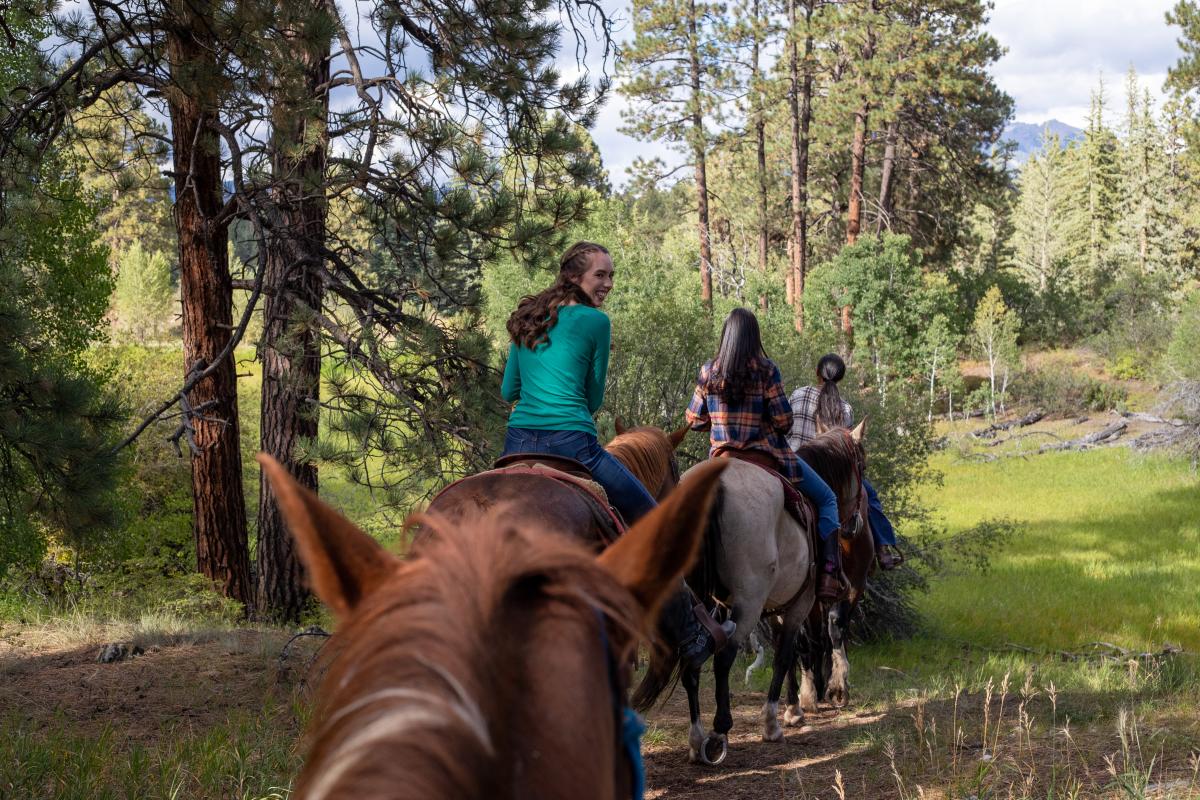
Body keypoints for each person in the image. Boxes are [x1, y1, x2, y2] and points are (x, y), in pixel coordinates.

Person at [501, 241, 733, 666]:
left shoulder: (525, 320)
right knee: (652, 523)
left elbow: (507, 391)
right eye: (600, 275)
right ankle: (690, 635)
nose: (608, 284)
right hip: (574, 445)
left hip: (515, 444)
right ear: (574, 277)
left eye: (610, 275)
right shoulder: (595, 322)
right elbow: (591, 400)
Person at [685, 308, 845, 601]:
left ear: (726, 335)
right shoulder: (767, 369)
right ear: (754, 337)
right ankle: (829, 575)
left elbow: (693, 420)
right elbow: (785, 422)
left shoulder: (709, 370)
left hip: (721, 460)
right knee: (827, 499)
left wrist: (718, 420)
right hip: (766, 457)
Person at [787, 353, 904, 570]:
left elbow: (785, 428)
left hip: (793, 464)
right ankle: (882, 549)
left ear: (817, 373)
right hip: (828, 477)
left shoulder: (798, 395)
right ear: (840, 378)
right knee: (868, 494)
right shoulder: (845, 409)